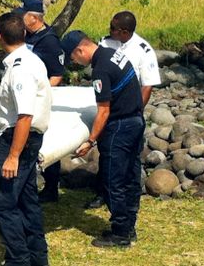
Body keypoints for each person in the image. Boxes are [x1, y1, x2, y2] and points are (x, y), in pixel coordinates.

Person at [61, 30, 145, 247]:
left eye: (73, 58)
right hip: (136, 120)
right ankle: (128, 226)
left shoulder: (100, 69)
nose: (75, 63)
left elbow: (104, 111)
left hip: (119, 127)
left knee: (112, 180)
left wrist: (90, 140)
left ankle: (120, 234)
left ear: (80, 50)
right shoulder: (112, 53)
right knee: (130, 176)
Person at [0, 12, 52, 266]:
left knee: (3, 205)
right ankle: (38, 258)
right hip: (26, 138)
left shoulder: (20, 69)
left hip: (18, 139)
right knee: (27, 203)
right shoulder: (31, 59)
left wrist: (12, 156)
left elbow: (25, 115)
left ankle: (19, 260)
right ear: (25, 34)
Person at [84, 10, 161, 210]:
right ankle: (103, 192)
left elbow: (147, 85)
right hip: (108, 107)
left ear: (124, 31)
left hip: (128, 110)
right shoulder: (106, 43)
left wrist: (135, 110)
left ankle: (131, 197)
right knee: (107, 153)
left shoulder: (143, 50)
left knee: (130, 158)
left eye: (113, 28)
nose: (109, 30)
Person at [14, 0, 65, 203]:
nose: (19, 19)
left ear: (34, 18)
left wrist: (42, 94)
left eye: (23, 15)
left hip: (41, 99)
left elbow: (57, 74)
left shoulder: (49, 41)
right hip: (25, 94)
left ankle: (51, 187)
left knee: (45, 141)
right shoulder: (28, 36)